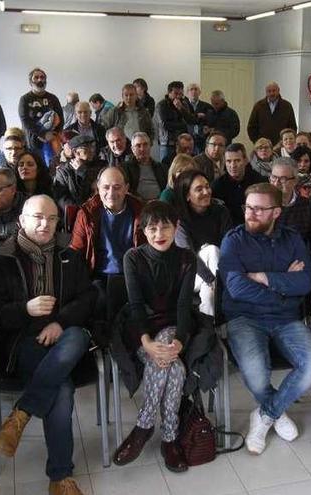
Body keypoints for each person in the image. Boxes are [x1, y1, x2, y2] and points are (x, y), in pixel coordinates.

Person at [0, 195, 96, 495]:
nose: (45, 224)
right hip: (24, 341)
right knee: (61, 389)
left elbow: (87, 298)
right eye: (37, 217)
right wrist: (26, 309)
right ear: (21, 220)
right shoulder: (3, 261)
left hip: (67, 337)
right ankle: (60, 477)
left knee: (77, 336)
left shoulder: (70, 256)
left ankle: (21, 414)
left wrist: (59, 322)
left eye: (51, 218)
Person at [218, 183, 311, 454]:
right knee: (255, 370)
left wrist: (264, 277)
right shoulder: (234, 239)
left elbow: (306, 281)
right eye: (248, 207)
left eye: (258, 209)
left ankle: (265, 415)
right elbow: (236, 287)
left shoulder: (293, 239)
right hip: (245, 317)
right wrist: (283, 288)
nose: (250, 213)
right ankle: (276, 412)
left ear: (276, 212)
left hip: (286, 319)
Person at [112, 201, 196, 473]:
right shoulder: (133, 258)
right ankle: (169, 438)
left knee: (167, 352)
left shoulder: (186, 258)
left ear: (176, 227)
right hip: (141, 326)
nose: (159, 233)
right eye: (152, 228)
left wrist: (180, 340)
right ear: (143, 231)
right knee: (174, 366)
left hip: (174, 325)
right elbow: (136, 306)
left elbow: (183, 307)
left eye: (165, 227)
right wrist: (146, 342)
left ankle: (144, 427)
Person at [70, 167, 145, 321]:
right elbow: (76, 251)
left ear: (127, 188)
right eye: (105, 187)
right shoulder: (87, 213)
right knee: (100, 301)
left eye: (117, 187)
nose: (111, 193)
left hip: (131, 274)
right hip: (99, 275)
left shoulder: (140, 211)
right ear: (98, 188)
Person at [172, 169, 232, 316]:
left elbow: (229, 245)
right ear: (187, 195)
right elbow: (187, 256)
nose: (206, 191)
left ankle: (209, 322)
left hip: (219, 270)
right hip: (189, 275)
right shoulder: (179, 220)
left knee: (212, 253)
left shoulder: (221, 211)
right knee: (211, 250)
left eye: (207, 186)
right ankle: (218, 322)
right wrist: (212, 280)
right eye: (199, 189)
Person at [213, 143, 267, 225]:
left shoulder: (259, 181)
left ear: (245, 161)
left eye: (237, 160)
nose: (233, 165)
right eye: (229, 161)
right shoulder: (217, 186)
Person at [270, 158, 311, 244]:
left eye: (283, 179)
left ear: (295, 181)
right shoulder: (263, 205)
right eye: (273, 177)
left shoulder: (307, 205)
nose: (276, 183)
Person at [53, 134, 106, 213]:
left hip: (100, 208)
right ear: (75, 152)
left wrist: (82, 171)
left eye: (92, 147)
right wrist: (81, 211)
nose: (92, 150)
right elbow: (62, 199)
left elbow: (96, 186)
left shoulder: (101, 165)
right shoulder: (64, 171)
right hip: (76, 212)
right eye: (87, 148)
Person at [18, 67, 64, 155]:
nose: (40, 80)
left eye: (42, 77)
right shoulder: (25, 99)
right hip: (32, 143)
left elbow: (61, 119)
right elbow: (25, 121)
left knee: (52, 167)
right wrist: (42, 135)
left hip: (52, 142)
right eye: (36, 77)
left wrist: (54, 134)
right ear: (30, 81)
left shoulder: (53, 98)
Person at [155, 81, 196, 162]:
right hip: (167, 143)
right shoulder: (162, 105)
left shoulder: (184, 103)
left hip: (182, 143)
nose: (178, 96)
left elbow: (191, 120)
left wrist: (181, 108)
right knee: (166, 167)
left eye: (180, 94)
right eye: (175, 93)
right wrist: (183, 125)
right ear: (169, 93)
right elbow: (165, 125)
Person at [123, 132, 168, 201]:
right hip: (138, 204)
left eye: (145, 144)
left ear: (150, 146)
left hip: (160, 204)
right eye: (138, 145)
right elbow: (127, 190)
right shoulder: (126, 168)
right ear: (132, 149)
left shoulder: (161, 167)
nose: (142, 149)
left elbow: (166, 188)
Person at [185, 83, 212, 155]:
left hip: (202, 139)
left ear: (199, 92)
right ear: (187, 93)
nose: (194, 91)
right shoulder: (184, 106)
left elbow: (210, 120)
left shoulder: (207, 106)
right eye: (191, 89)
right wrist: (196, 116)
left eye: (196, 89)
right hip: (187, 138)